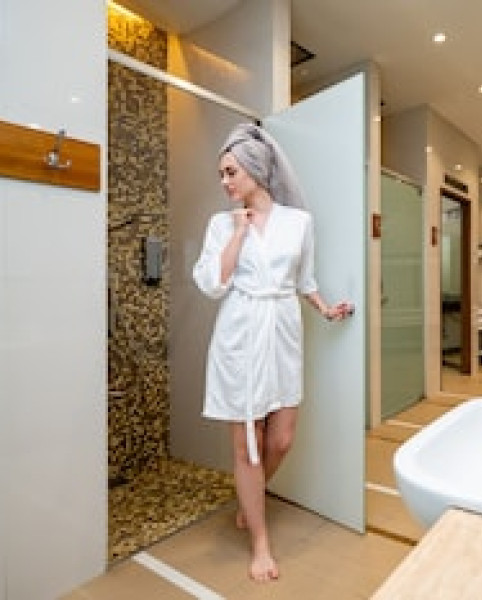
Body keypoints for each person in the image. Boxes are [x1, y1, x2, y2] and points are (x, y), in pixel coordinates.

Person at [193, 123, 353, 582]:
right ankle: (260, 543)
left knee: (280, 440)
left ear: (256, 169)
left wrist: (325, 309)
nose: (224, 182)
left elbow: (304, 280)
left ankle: (250, 499)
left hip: (283, 329)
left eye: (230, 172)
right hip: (240, 332)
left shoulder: (298, 222)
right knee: (247, 443)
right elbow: (212, 284)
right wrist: (238, 234)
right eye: (221, 174)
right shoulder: (221, 224)